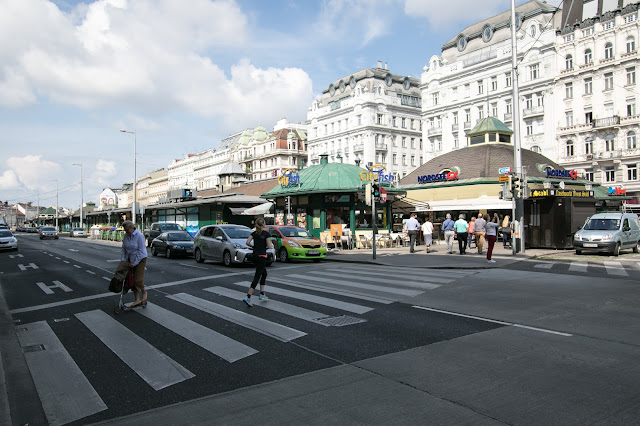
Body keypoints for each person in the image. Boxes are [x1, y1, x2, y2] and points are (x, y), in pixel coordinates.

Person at [116, 220, 148, 308]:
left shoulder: (139, 236)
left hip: (140, 259)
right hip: (130, 259)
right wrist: (123, 260)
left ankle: (144, 292)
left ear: (132, 228)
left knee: (138, 279)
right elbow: (124, 249)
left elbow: (141, 250)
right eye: (125, 230)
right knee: (132, 279)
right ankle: (137, 299)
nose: (126, 232)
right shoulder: (126, 236)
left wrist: (135, 262)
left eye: (127, 230)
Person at [243, 217, 274, 307]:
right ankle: (248, 297)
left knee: (264, 274)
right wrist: (268, 245)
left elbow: (247, 242)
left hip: (255, 256)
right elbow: (269, 245)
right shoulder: (266, 234)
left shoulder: (254, 233)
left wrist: (253, 247)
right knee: (257, 276)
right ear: (263, 224)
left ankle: (262, 294)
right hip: (262, 257)